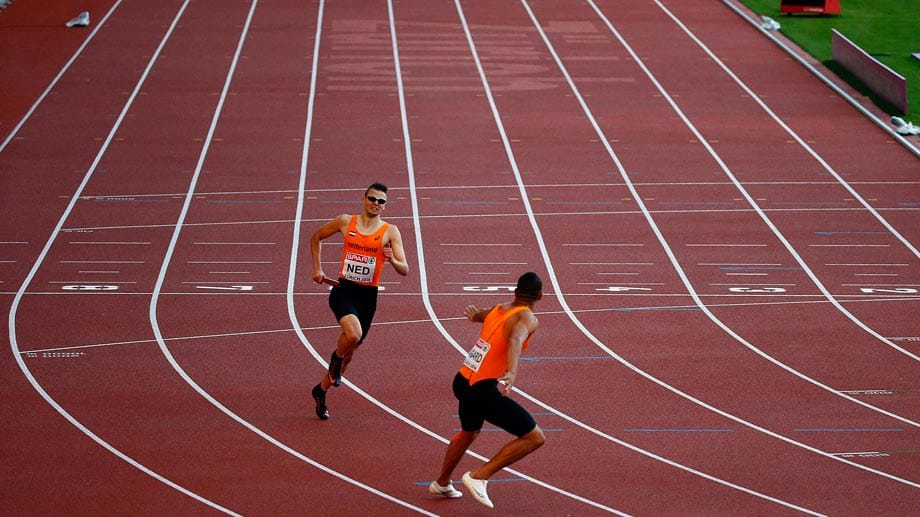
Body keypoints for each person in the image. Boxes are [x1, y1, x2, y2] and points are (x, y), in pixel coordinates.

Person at [429, 272, 546, 509]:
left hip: (463, 380)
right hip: (481, 389)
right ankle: (479, 476)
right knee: (534, 437)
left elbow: (483, 315)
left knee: (469, 432)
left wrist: (475, 316)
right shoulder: (528, 318)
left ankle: (442, 482)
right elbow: (515, 339)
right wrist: (512, 371)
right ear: (540, 297)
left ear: (515, 292)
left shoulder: (499, 308)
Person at [310, 182, 409, 420]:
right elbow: (316, 237)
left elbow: (405, 269)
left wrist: (391, 260)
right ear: (364, 199)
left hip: (368, 297)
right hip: (344, 290)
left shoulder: (390, 231)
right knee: (352, 335)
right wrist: (317, 269)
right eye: (372, 199)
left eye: (381, 201)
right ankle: (335, 360)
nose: (376, 204)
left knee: (350, 352)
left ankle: (320, 391)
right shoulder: (346, 221)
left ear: (385, 206)